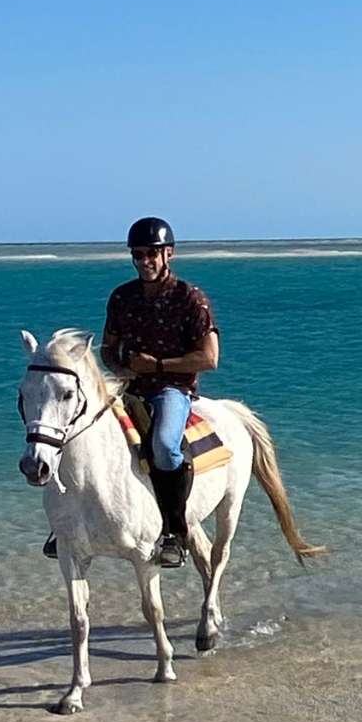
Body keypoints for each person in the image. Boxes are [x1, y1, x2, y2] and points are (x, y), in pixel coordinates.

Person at [101, 216, 219, 566]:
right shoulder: (122, 297)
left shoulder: (190, 299)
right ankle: (68, 524)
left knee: (165, 447)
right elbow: (109, 347)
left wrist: (156, 365)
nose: (144, 261)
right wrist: (119, 368)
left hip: (172, 388)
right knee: (77, 429)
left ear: (169, 253)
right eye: (138, 255)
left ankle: (175, 531)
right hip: (127, 384)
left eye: (152, 253)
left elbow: (209, 358)